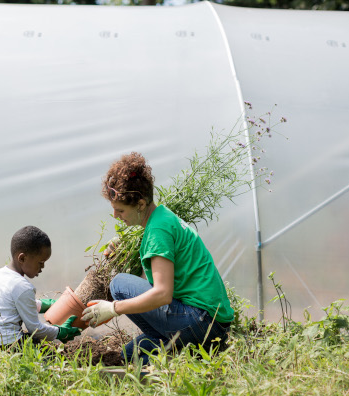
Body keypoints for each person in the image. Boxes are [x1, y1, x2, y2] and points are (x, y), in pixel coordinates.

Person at [81, 152, 234, 365]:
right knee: (130, 355)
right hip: (212, 323)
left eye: (120, 210)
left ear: (141, 204)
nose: (116, 216)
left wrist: (113, 308)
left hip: (201, 321)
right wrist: (124, 242)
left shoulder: (158, 232)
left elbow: (162, 294)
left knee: (120, 284)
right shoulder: (162, 217)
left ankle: (185, 346)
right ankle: (183, 351)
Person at [0, 225, 82, 352]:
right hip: (5, 347)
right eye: (40, 262)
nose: (42, 267)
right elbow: (36, 329)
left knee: (33, 341)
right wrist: (60, 332)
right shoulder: (23, 286)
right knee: (40, 345)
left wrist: (44, 305)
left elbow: (12, 304)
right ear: (22, 258)